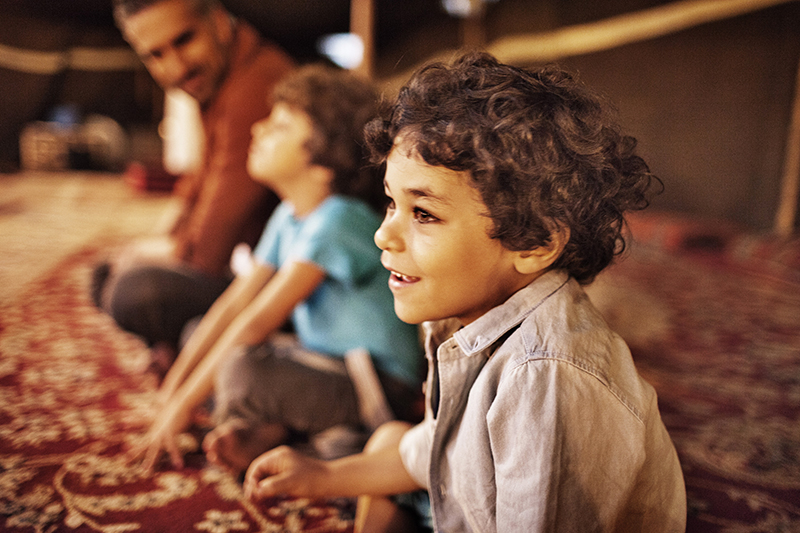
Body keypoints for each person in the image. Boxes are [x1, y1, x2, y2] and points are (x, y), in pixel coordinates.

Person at [241, 52, 687, 532]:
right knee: (391, 438)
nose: (383, 236)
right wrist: (322, 476)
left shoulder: (545, 378)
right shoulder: (461, 315)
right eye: (392, 202)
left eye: (424, 214)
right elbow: (432, 447)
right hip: (470, 506)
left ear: (534, 242)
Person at [128, 64, 424, 476]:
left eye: (280, 125)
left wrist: (181, 408)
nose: (258, 130)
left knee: (241, 369)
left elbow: (255, 323)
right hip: (322, 365)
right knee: (200, 331)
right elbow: (233, 306)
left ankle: (334, 440)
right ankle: (283, 431)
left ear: (325, 163)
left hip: (377, 387)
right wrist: (169, 398)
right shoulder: (290, 215)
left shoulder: (337, 218)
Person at [93, 0, 294, 376]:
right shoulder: (224, 76)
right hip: (251, 268)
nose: (176, 67)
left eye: (184, 40)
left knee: (135, 292)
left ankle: (189, 346)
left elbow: (208, 250)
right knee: (109, 274)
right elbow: (198, 188)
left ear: (219, 24)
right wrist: (158, 242)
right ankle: (183, 344)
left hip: (291, 293)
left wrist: (158, 251)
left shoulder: (255, 87)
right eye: (155, 55)